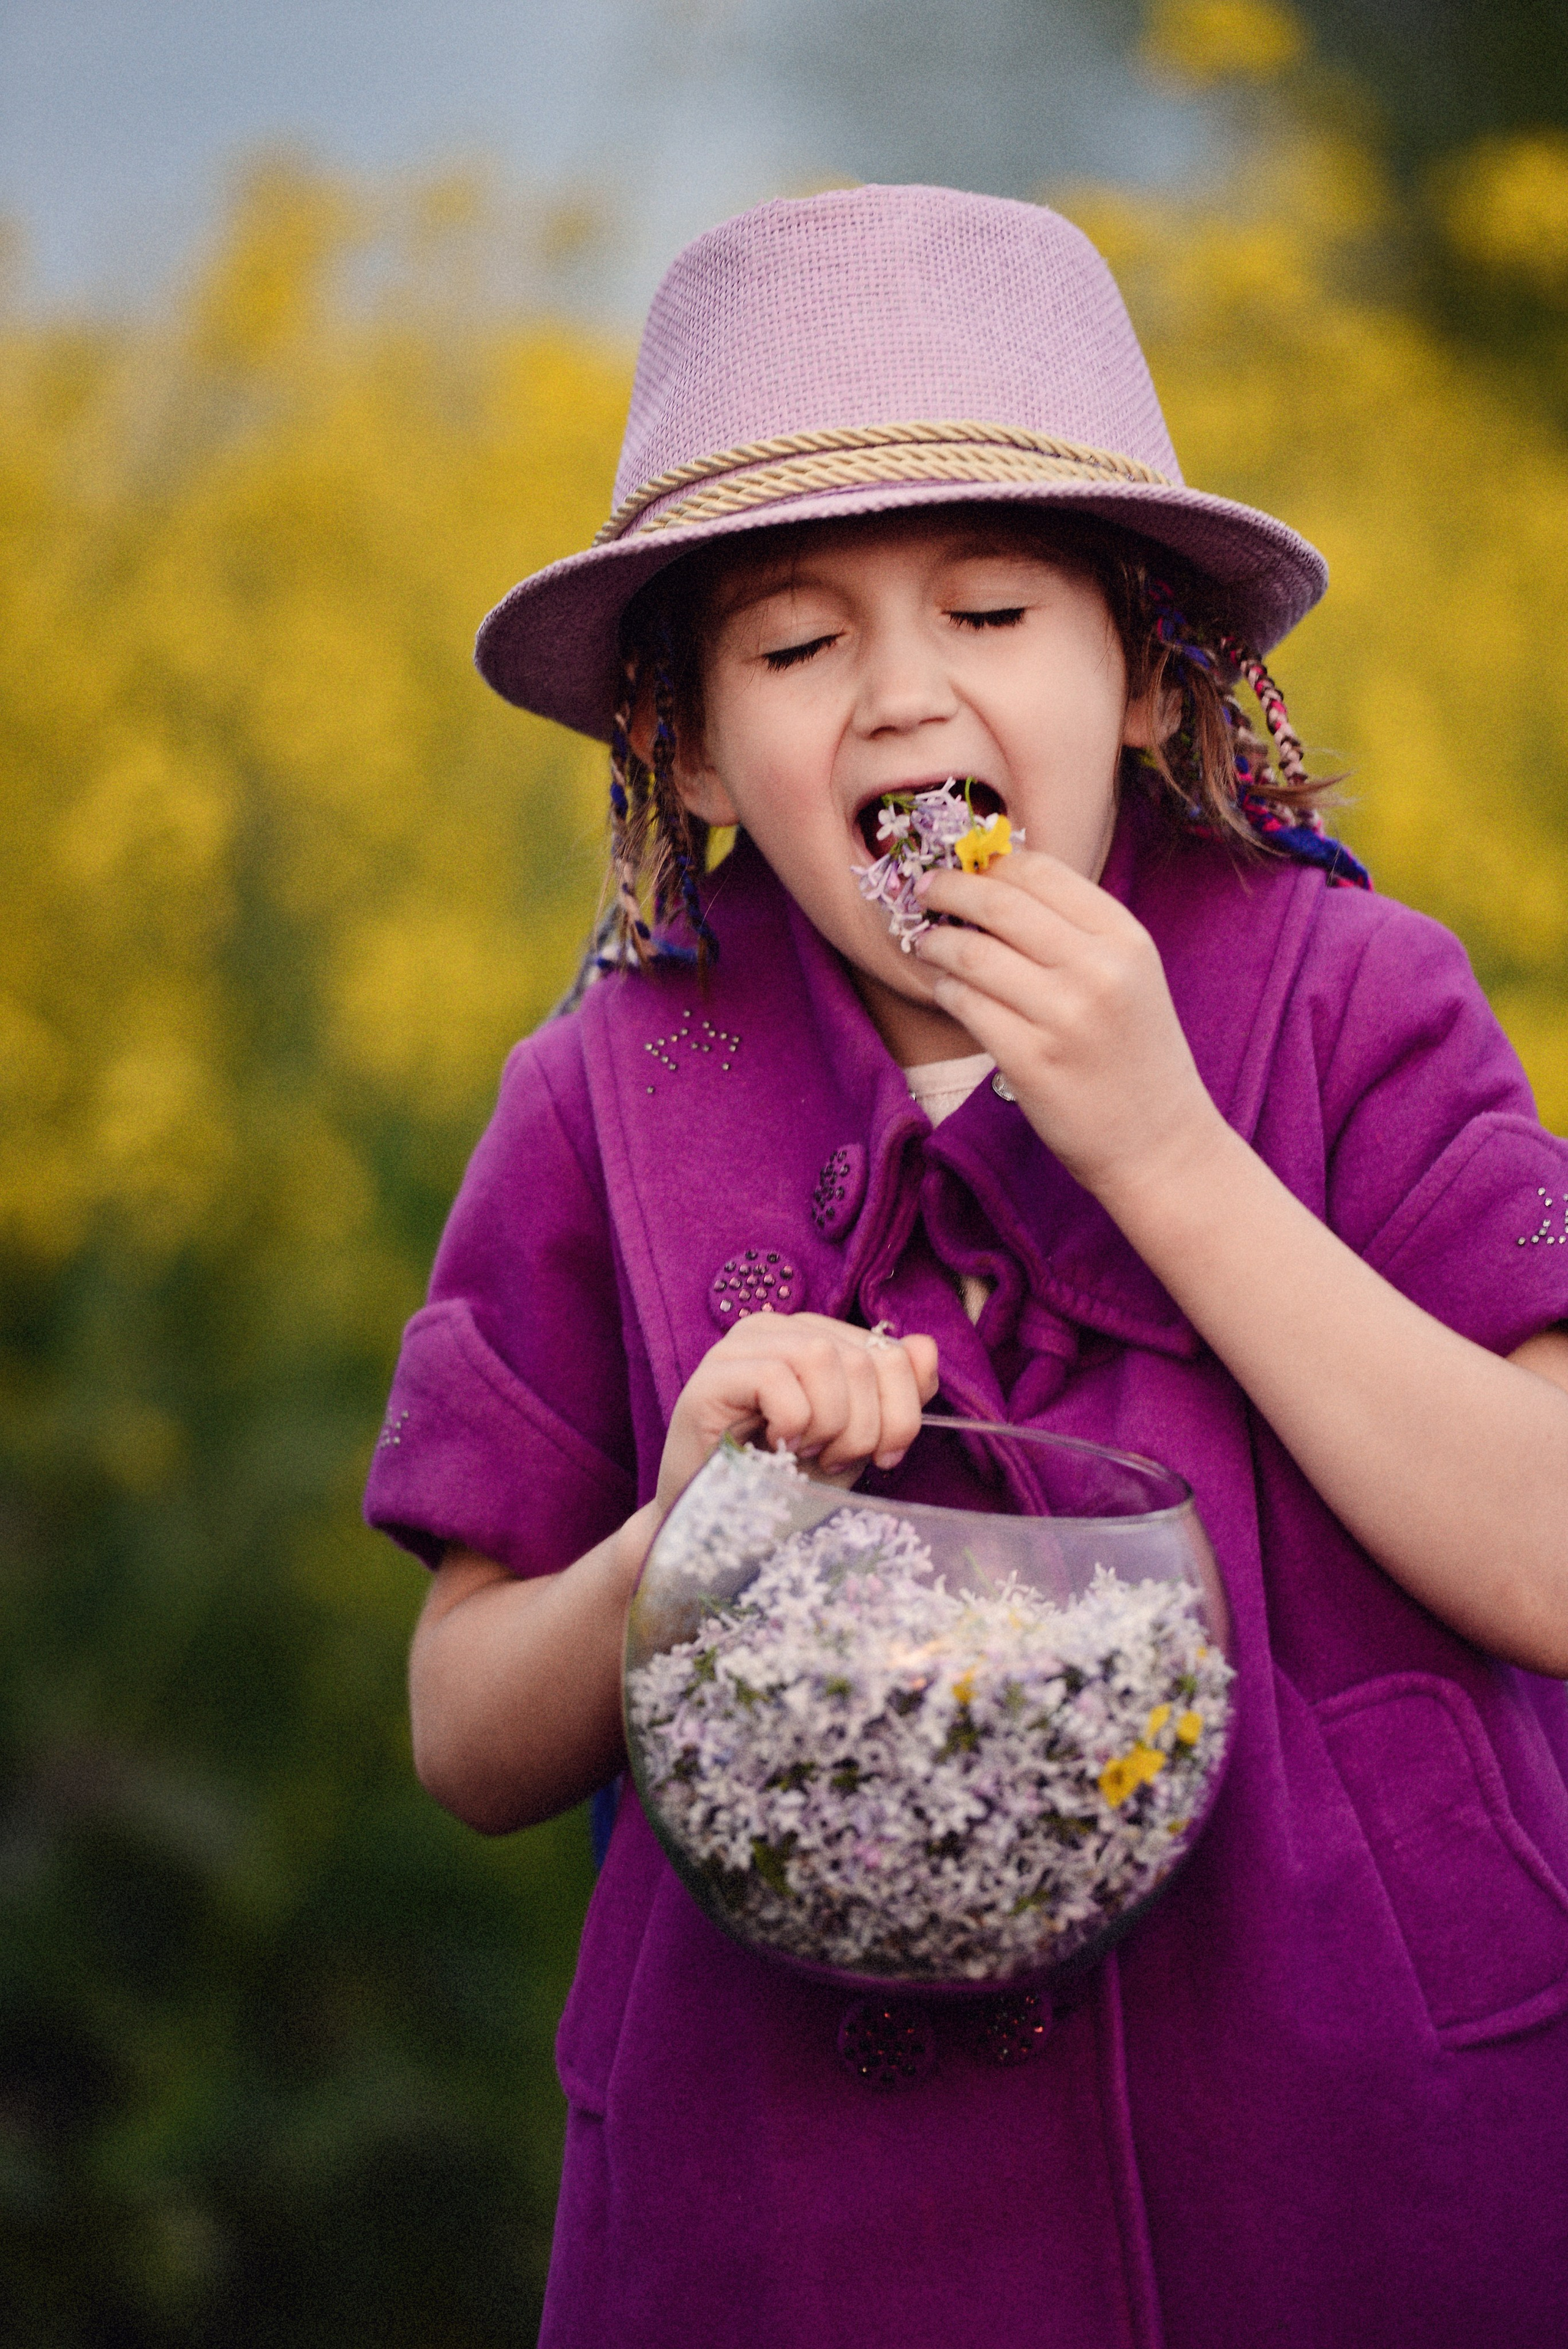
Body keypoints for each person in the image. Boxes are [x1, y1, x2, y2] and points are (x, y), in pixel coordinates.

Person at [364, 186, 1568, 2348]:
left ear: (1136, 663)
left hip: (1364, 2169)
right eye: (801, 645)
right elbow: (463, 1731)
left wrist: (1168, 1149)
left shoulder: (1353, 995)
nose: (907, 698)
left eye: (997, 609)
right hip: (790, 2223)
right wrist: (683, 1538)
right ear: (694, 742)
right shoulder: (605, 1091)